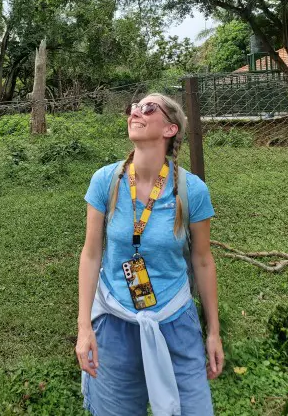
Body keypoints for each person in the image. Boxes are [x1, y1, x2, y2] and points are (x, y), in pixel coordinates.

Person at [76, 93, 224, 416]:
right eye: (133, 107)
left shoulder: (192, 190)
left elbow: (202, 261)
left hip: (175, 325)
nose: (135, 112)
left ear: (170, 128)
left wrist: (213, 332)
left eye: (148, 108)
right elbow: (91, 255)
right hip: (115, 326)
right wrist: (84, 326)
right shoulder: (105, 181)